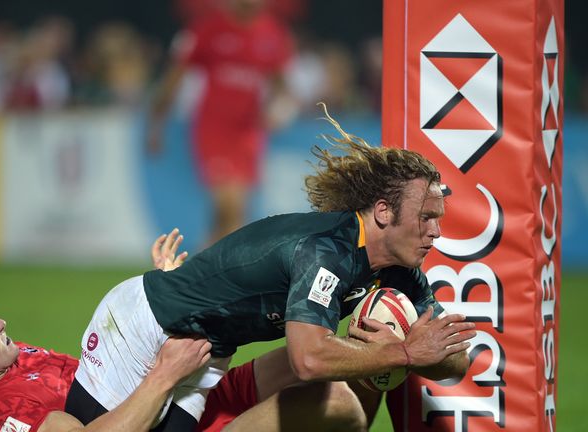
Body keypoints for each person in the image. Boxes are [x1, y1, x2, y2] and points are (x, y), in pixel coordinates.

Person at [71, 112, 478, 431]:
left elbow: (457, 359)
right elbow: (308, 360)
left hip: (206, 351)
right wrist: (404, 353)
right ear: (384, 213)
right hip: (148, 323)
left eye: (438, 219)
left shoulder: (399, 271)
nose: (436, 232)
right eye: (425, 217)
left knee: (354, 392)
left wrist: (426, 351)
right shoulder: (326, 251)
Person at [0, 229, 359, 432]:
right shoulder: (4, 411)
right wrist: (164, 375)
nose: (0, 323)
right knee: (333, 400)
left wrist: (167, 300)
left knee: (338, 372)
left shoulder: (7, 361)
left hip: (176, 389)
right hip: (173, 409)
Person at [147, 0, 296, 246]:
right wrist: (156, 125)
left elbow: (282, 87)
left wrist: (279, 111)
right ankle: (223, 265)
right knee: (230, 207)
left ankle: (202, 264)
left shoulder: (273, 33)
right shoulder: (209, 29)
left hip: (248, 133)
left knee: (229, 215)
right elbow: (174, 77)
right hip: (214, 128)